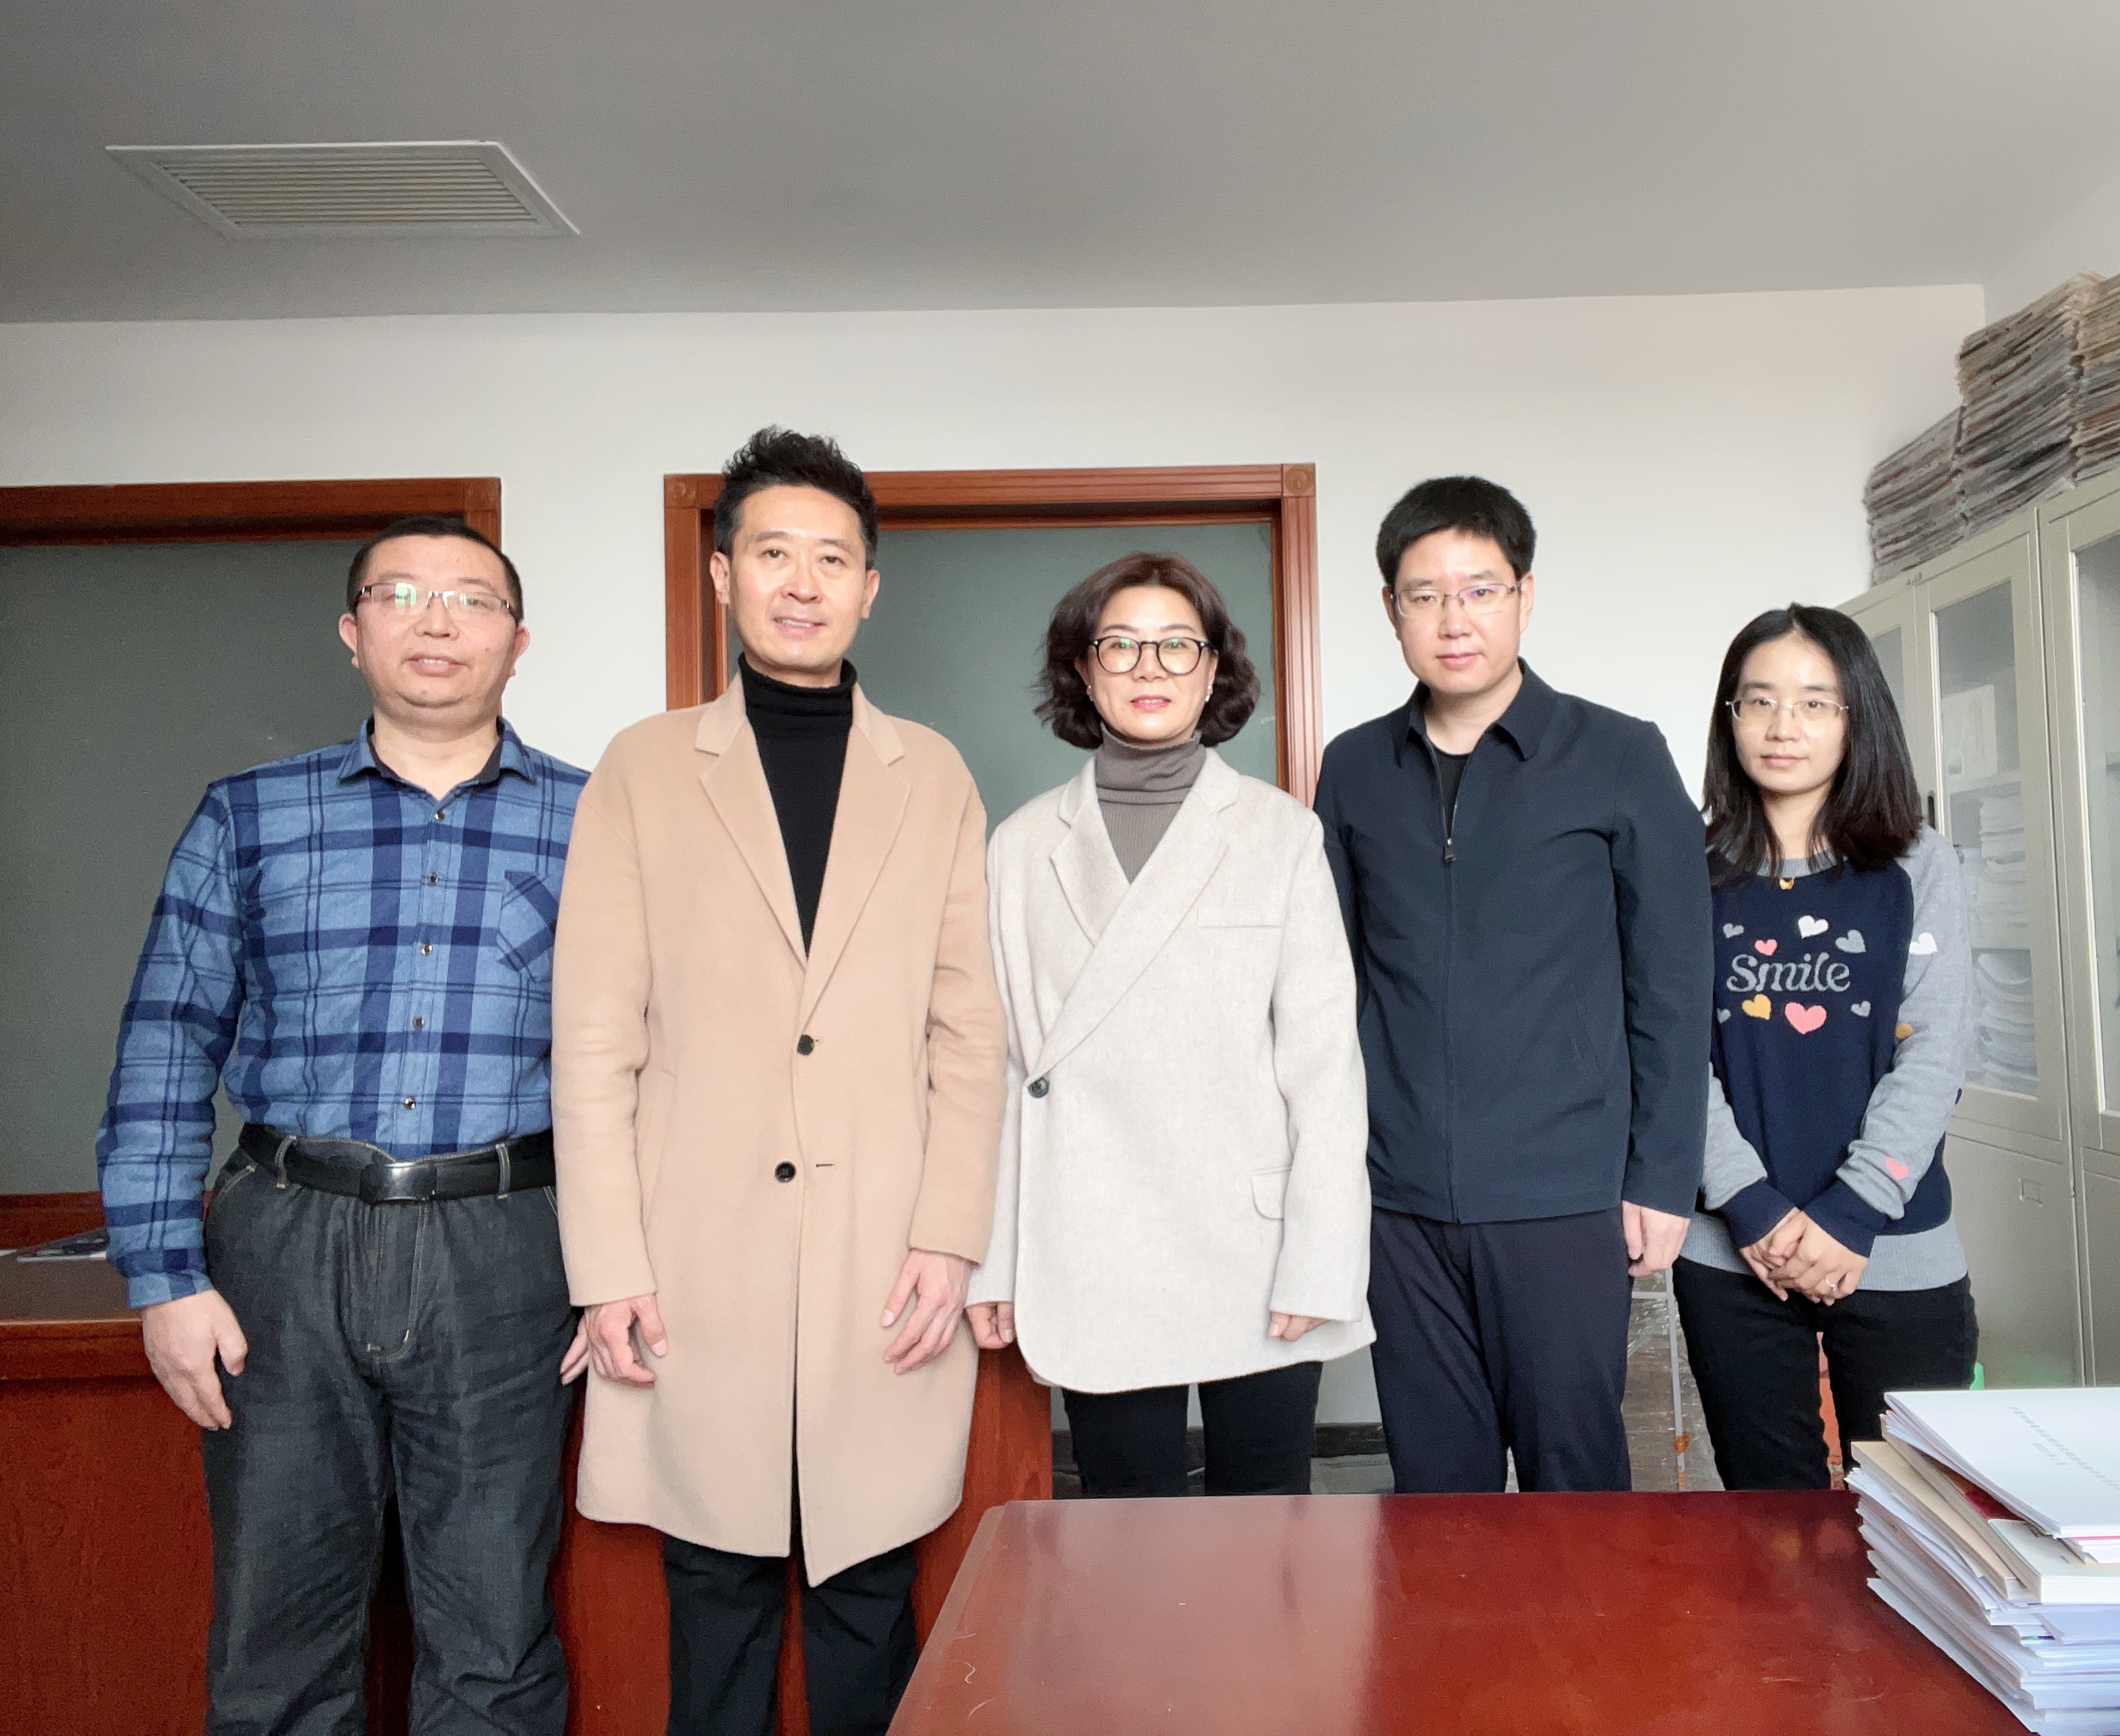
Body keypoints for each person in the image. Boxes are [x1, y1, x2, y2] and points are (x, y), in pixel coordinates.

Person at [96, 516, 589, 1734]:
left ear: (517, 640)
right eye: (400, 593)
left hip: (509, 1242)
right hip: (285, 1241)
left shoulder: (597, 820)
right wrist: (165, 1275)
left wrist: (627, 1265)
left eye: (470, 598)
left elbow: (662, 1062)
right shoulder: (248, 815)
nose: (436, 620)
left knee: (493, 1633)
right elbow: (165, 1042)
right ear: (352, 631)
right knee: (277, 1632)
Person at [551, 428, 1007, 1736]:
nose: (801, 584)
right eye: (772, 555)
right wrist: (608, 1263)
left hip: (883, 1249)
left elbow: (967, 1029)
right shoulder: (643, 768)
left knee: (870, 1585)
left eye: (831, 559)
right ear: (722, 575)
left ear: (869, 587)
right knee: (716, 1585)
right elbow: (594, 1035)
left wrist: (949, 1233)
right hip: (696, 1252)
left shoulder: (933, 774)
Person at [1314, 475, 1712, 1495]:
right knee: (1435, 1492)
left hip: (1563, 1195)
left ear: (1524, 596)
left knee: (1571, 1481)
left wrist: (1661, 1175)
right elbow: (1332, 981)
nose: (1453, 620)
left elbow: (1673, 982)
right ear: (1391, 609)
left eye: (1479, 590)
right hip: (1397, 1198)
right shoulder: (1353, 768)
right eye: (1424, 595)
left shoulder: (1618, 754)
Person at [966, 553, 1372, 1498]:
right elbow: (1003, 1069)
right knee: (1123, 1540)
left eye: (1176, 645)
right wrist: (995, 1263)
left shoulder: (1279, 833)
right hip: (1091, 1236)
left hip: (1255, 1245)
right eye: (1121, 644)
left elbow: (1323, 1064)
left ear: (1212, 667)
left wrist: (1321, 1259)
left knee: (1269, 1542)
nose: (1149, 667)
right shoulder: (1021, 845)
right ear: (1083, 668)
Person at [1674, 603, 1978, 1487]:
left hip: (1895, 1243)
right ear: (1730, 717)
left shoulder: (1918, 863)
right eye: (1759, 700)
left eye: (1815, 703)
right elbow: (1671, 1057)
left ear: (1856, 719)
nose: (1783, 726)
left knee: (1922, 1520)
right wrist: (1751, 1208)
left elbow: (1936, 1050)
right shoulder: (1685, 867)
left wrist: (1851, 1214)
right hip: (1733, 1252)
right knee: (1769, 1526)